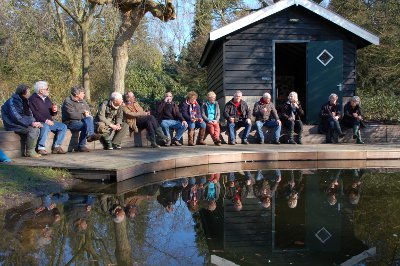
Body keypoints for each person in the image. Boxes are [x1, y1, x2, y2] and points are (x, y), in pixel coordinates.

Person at [1, 84, 42, 158]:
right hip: (12, 124)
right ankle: (30, 151)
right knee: (34, 130)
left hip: (20, 123)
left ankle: (33, 149)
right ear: (23, 92)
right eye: (28, 91)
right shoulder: (13, 101)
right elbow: (17, 117)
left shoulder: (25, 100)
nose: (30, 93)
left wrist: (35, 122)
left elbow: (30, 115)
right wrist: (31, 123)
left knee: (38, 128)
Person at [29, 81, 67, 155]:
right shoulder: (33, 99)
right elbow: (35, 114)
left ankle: (57, 147)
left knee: (63, 126)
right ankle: (41, 148)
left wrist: (54, 111)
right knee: (45, 126)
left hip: (49, 121)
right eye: (47, 88)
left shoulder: (47, 99)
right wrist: (46, 121)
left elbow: (52, 113)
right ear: (41, 90)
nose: (48, 90)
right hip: (39, 122)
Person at [61, 85, 101, 152]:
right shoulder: (68, 101)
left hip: (81, 121)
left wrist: (87, 115)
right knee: (86, 124)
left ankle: (90, 136)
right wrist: (83, 114)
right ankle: (83, 145)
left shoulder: (83, 101)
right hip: (70, 122)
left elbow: (88, 112)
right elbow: (72, 115)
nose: (84, 94)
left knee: (89, 119)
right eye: (83, 93)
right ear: (77, 94)